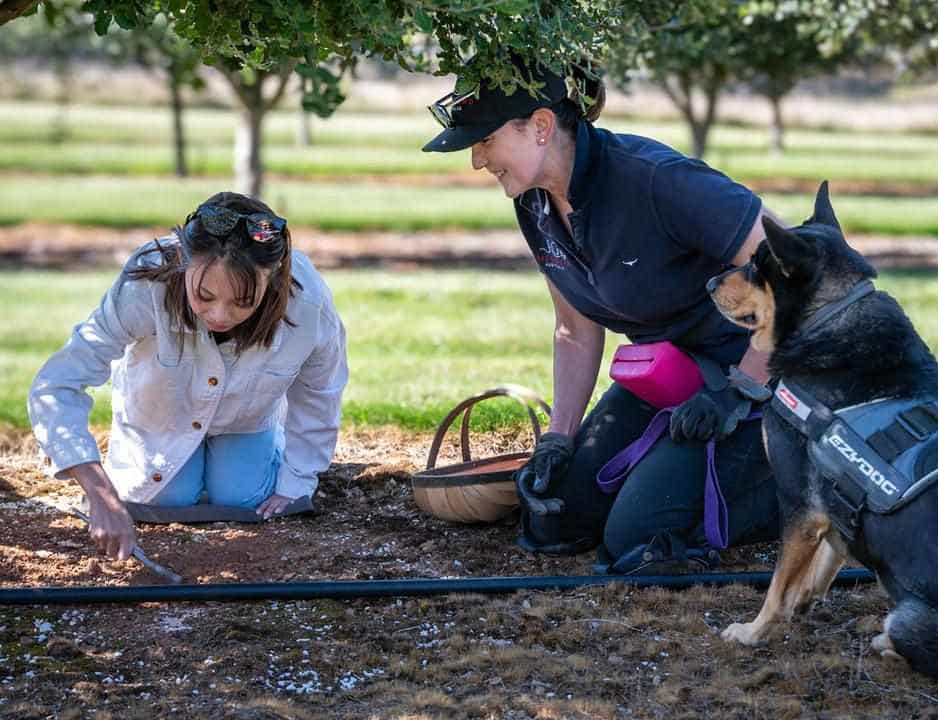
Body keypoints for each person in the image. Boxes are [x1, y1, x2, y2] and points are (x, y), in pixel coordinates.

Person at [422, 61, 779, 573]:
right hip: (668, 376)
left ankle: (805, 484)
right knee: (552, 519)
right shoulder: (534, 202)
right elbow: (573, 327)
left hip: (758, 378)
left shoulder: (655, 179)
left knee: (636, 539)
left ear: (541, 127)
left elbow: (791, 272)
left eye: (485, 140)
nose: (478, 159)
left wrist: (741, 388)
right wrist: (558, 438)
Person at [28, 192, 348, 563]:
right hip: (159, 417)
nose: (220, 315)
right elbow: (57, 385)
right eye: (204, 295)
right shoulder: (143, 284)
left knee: (242, 497)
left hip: (244, 422)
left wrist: (298, 481)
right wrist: (100, 495)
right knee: (168, 497)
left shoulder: (309, 303)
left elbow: (320, 391)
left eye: (243, 301)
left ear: (273, 279)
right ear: (183, 260)